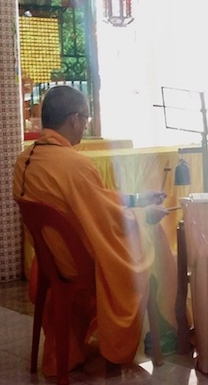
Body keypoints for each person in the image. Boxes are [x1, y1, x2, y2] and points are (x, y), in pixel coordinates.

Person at [12, 85, 174, 376]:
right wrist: (145, 216)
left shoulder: (24, 160)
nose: (85, 126)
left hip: (50, 262)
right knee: (152, 243)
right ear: (74, 119)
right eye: (85, 118)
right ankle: (164, 328)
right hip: (79, 263)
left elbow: (96, 201)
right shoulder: (75, 164)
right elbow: (107, 220)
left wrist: (136, 200)